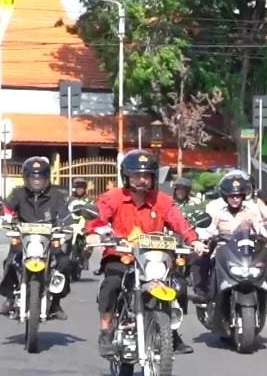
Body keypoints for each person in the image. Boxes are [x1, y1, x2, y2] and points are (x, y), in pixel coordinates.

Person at [86, 149, 208, 357]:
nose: (142, 180)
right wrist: (93, 234)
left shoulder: (162, 200)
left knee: (178, 286)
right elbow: (98, 219)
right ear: (126, 176)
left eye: (146, 176)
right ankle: (106, 331)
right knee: (112, 285)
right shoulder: (113, 197)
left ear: (153, 178)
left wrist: (193, 240)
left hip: (155, 258)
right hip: (122, 256)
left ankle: (171, 332)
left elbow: (179, 222)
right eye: (136, 175)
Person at [0, 157, 74, 320]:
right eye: (32, 177)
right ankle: (10, 298)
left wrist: (66, 224)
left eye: (40, 177)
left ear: (47, 178)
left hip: (50, 240)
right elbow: (8, 210)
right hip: (24, 239)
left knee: (65, 264)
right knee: (10, 262)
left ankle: (56, 303)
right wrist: (6, 219)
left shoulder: (56, 195)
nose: (36, 181)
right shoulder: (18, 193)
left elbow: (65, 215)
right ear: (26, 178)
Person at [190, 170, 267, 302]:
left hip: (247, 250)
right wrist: (202, 239)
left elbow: (260, 229)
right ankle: (205, 294)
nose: (235, 199)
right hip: (223, 249)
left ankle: (265, 294)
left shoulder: (251, 210)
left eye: (238, 196)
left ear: (243, 196)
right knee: (201, 259)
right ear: (225, 196)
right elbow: (208, 229)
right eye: (231, 196)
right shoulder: (217, 211)